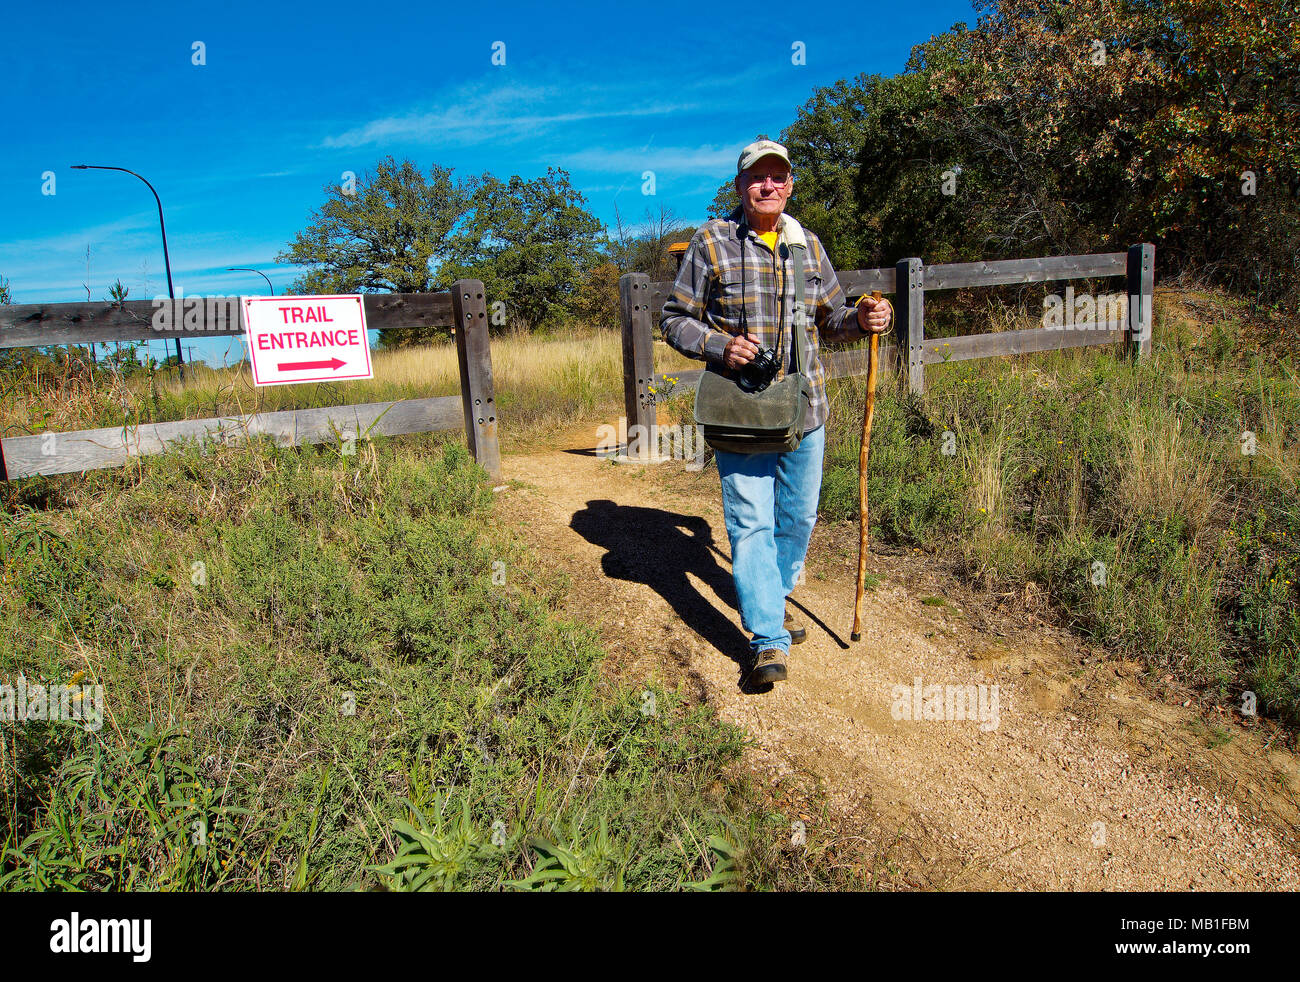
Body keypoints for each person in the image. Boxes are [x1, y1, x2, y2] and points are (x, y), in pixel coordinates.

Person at [660, 139, 893, 687]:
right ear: (740, 187)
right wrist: (719, 347)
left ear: (789, 185)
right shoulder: (712, 242)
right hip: (741, 408)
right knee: (750, 522)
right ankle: (766, 638)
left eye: (777, 177)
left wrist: (862, 319)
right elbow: (674, 319)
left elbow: (831, 316)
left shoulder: (807, 244)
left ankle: (775, 593)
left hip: (806, 405)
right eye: (756, 178)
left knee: (798, 518)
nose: (768, 186)